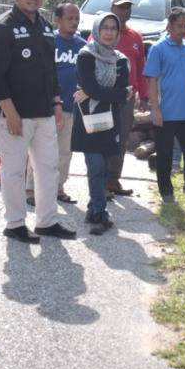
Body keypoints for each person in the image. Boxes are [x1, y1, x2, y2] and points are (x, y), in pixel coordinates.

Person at [0, 0, 74, 242]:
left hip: (44, 114)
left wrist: (57, 103)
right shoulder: (3, 27)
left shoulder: (45, 27)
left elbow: (51, 71)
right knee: (13, 170)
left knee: (48, 168)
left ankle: (46, 221)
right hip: (13, 116)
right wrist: (11, 113)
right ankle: (14, 224)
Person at [71, 12, 131, 234]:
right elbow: (112, 90)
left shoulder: (121, 59)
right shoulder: (85, 55)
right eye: (104, 27)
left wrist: (95, 91)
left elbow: (122, 92)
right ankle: (100, 213)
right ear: (97, 29)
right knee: (95, 166)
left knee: (104, 168)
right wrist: (112, 92)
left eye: (113, 28)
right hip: (89, 119)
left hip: (111, 119)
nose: (108, 32)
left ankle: (92, 207)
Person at [144, 7, 185, 203]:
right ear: (169, 25)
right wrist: (155, 109)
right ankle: (167, 192)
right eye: (179, 25)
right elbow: (152, 80)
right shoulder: (158, 49)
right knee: (165, 155)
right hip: (167, 113)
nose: (182, 29)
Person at [107, 0, 146, 197]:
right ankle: (100, 182)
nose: (124, 11)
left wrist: (144, 96)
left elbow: (141, 68)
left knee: (121, 139)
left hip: (128, 97)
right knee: (103, 137)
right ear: (112, 8)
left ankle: (113, 180)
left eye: (127, 7)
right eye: (121, 6)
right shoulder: (102, 32)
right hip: (105, 96)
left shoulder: (135, 37)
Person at [51, 0, 84, 204]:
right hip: (47, 107)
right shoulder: (48, 42)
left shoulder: (83, 46)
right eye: (69, 18)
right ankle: (31, 188)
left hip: (71, 109)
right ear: (58, 20)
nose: (74, 22)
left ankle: (58, 187)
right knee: (42, 151)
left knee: (65, 151)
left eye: (77, 19)